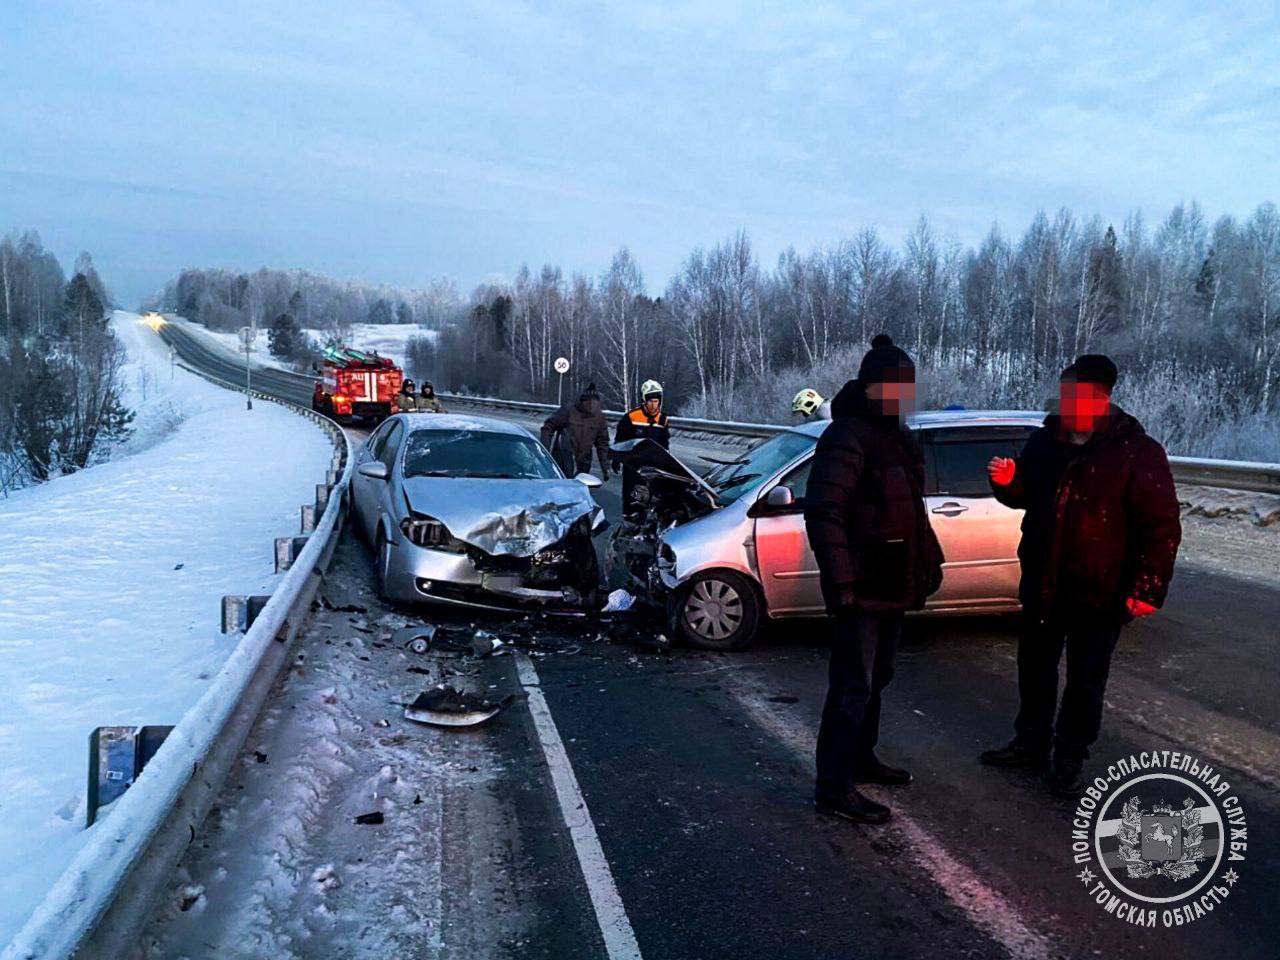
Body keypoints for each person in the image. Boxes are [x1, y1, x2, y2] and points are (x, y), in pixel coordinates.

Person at [979, 354, 1181, 796]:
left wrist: (1148, 588)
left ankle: (1069, 758)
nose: (1069, 404)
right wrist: (1011, 483)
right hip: (1044, 583)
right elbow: (1025, 498)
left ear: (1103, 399)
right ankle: (1029, 744)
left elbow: (1161, 526)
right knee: (1035, 670)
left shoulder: (1135, 452)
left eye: (1079, 397)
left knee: (1085, 681)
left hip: (1102, 589)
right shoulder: (1044, 443)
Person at [804, 334, 944, 825]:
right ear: (873, 386)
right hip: (859, 588)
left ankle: (861, 758)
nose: (907, 396)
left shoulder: (898, 436)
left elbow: (911, 513)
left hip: (892, 585)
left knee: (877, 680)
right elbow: (824, 512)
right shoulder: (846, 435)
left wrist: (929, 561)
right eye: (898, 386)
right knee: (852, 686)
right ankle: (834, 787)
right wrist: (842, 583)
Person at [613, 379, 670, 515]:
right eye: (650, 401)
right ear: (644, 400)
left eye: (656, 401)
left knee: (652, 496)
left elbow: (665, 444)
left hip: (653, 466)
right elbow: (620, 440)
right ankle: (629, 518)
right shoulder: (631, 417)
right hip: (633, 465)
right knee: (632, 496)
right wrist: (616, 459)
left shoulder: (663, 420)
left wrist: (667, 463)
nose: (653, 404)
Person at [540, 383, 611, 479]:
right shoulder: (569, 411)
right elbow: (548, 427)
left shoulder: (599, 418)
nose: (591, 404)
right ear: (582, 401)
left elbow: (602, 444)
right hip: (562, 457)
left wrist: (605, 467)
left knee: (579, 489)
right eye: (587, 401)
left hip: (583, 462)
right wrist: (544, 451)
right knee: (561, 487)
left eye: (594, 401)